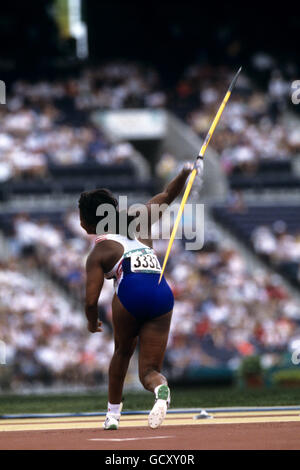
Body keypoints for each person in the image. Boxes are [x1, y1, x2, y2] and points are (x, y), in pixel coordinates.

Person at [78, 160, 203, 430]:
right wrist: (185, 171)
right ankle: (160, 389)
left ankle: (112, 416)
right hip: (161, 293)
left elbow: (90, 301)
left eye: (81, 217)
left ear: (88, 221)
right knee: (149, 370)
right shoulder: (141, 224)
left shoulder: (99, 252)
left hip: (132, 294)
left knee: (122, 352)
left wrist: (91, 322)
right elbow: (169, 195)